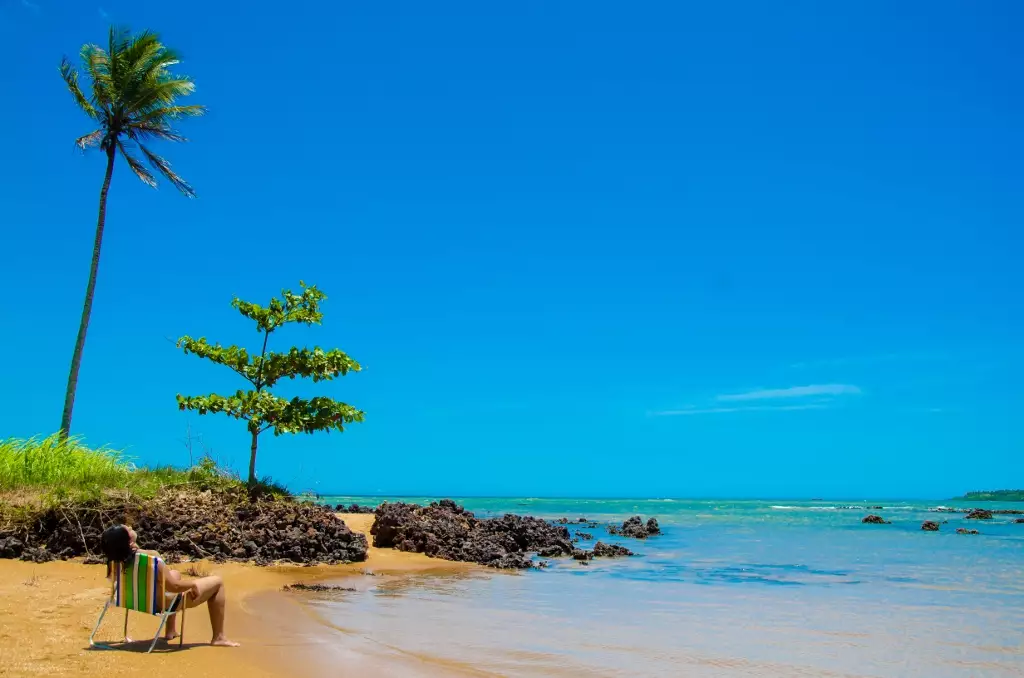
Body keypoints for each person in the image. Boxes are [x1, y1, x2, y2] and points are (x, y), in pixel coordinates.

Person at [99, 524, 240, 647]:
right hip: (162, 604)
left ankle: (170, 631)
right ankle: (219, 637)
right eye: (128, 529)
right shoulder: (150, 558)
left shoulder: (113, 561)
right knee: (218, 582)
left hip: (136, 601)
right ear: (129, 541)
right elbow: (175, 587)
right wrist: (192, 584)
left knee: (175, 573)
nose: (130, 527)